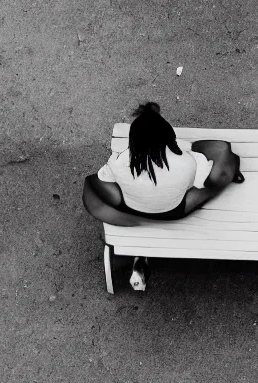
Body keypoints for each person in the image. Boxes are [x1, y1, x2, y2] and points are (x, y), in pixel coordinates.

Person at [82, 102, 244, 289]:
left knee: (95, 182)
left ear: (133, 140)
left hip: (134, 207)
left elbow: (103, 176)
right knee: (219, 159)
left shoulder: (119, 163)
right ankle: (233, 171)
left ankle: (127, 222)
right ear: (168, 136)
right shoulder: (186, 163)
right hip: (175, 210)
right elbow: (200, 180)